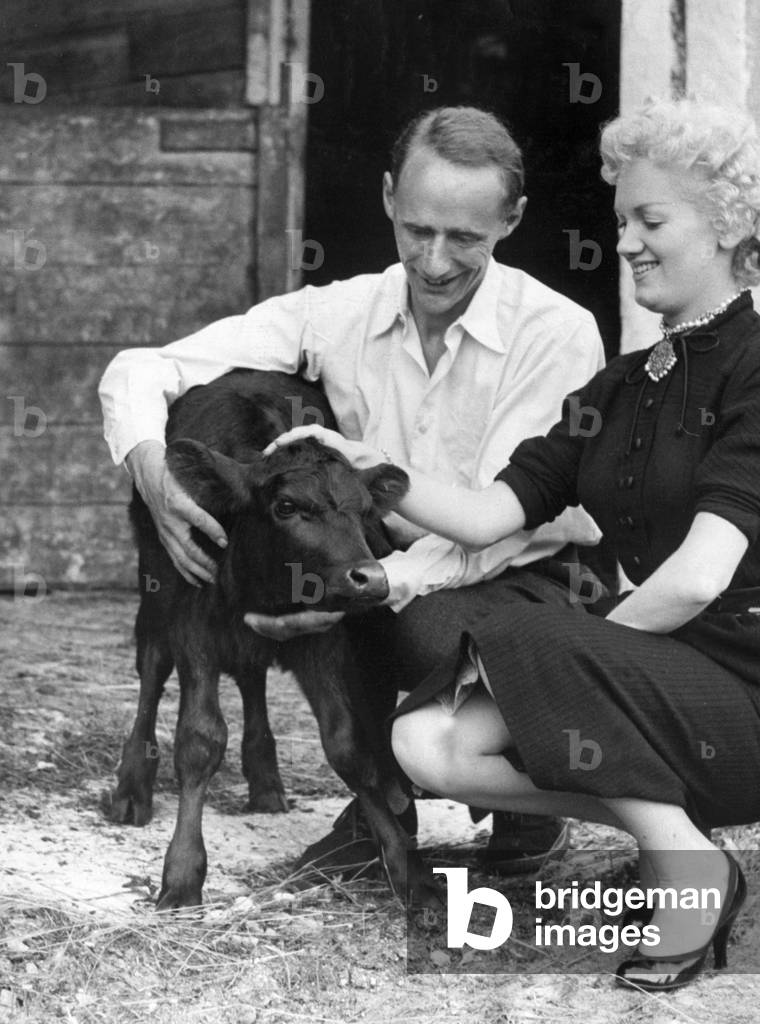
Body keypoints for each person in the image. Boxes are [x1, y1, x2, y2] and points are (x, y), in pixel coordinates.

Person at [269, 99, 760, 990]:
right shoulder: (622, 385)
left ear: (729, 229)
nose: (626, 243)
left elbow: (695, 580)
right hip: (656, 684)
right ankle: (677, 838)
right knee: (427, 742)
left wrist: (563, 653)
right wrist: (370, 465)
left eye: (650, 220)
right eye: (622, 223)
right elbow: (489, 515)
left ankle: (689, 871)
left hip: (758, 694)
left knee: (525, 632)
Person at [98, 106, 609, 875]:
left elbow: (500, 524)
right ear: (386, 199)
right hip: (399, 565)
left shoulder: (555, 333)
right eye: (416, 229)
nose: (434, 263)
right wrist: (146, 462)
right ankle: (382, 801)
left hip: (536, 576)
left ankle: (523, 803)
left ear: (513, 219)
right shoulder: (339, 313)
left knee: (422, 628)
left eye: (465, 238)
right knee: (350, 591)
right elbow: (144, 366)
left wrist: (372, 582)